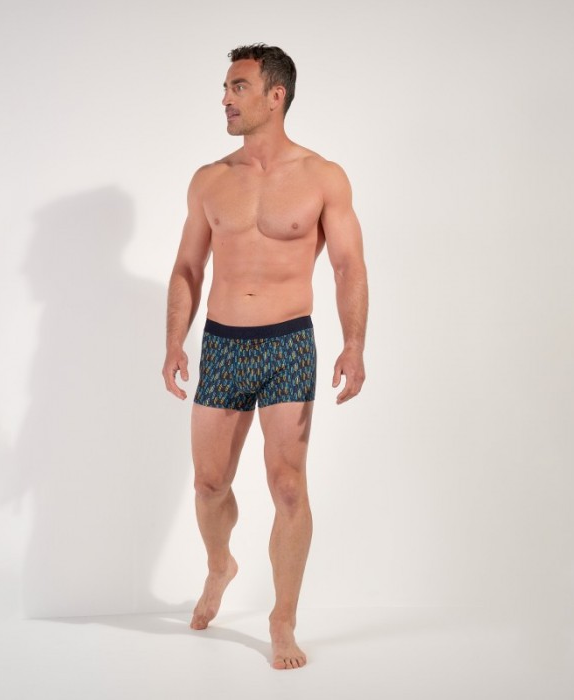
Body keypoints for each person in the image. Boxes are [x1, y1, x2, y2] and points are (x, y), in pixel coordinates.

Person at [162, 43, 368, 670]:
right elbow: (188, 266)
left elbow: (348, 265)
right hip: (223, 344)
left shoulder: (323, 177)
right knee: (209, 484)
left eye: (238, 87)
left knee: (288, 487)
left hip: (288, 343)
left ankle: (283, 619)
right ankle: (219, 564)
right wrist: (174, 341)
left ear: (275, 96)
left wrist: (354, 343)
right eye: (227, 87)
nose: (225, 98)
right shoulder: (210, 179)